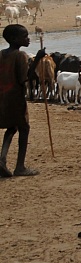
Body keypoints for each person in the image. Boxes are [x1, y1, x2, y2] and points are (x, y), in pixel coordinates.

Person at [0, 24, 37, 178]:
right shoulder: (20, 56)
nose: (28, 39)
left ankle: (2, 159)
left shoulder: (1, 54)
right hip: (16, 99)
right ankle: (20, 167)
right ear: (15, 39)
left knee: (11, 127)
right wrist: (38, 59)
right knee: (24, 128)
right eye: (25, 36)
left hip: (2, 97)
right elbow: (25, 78)